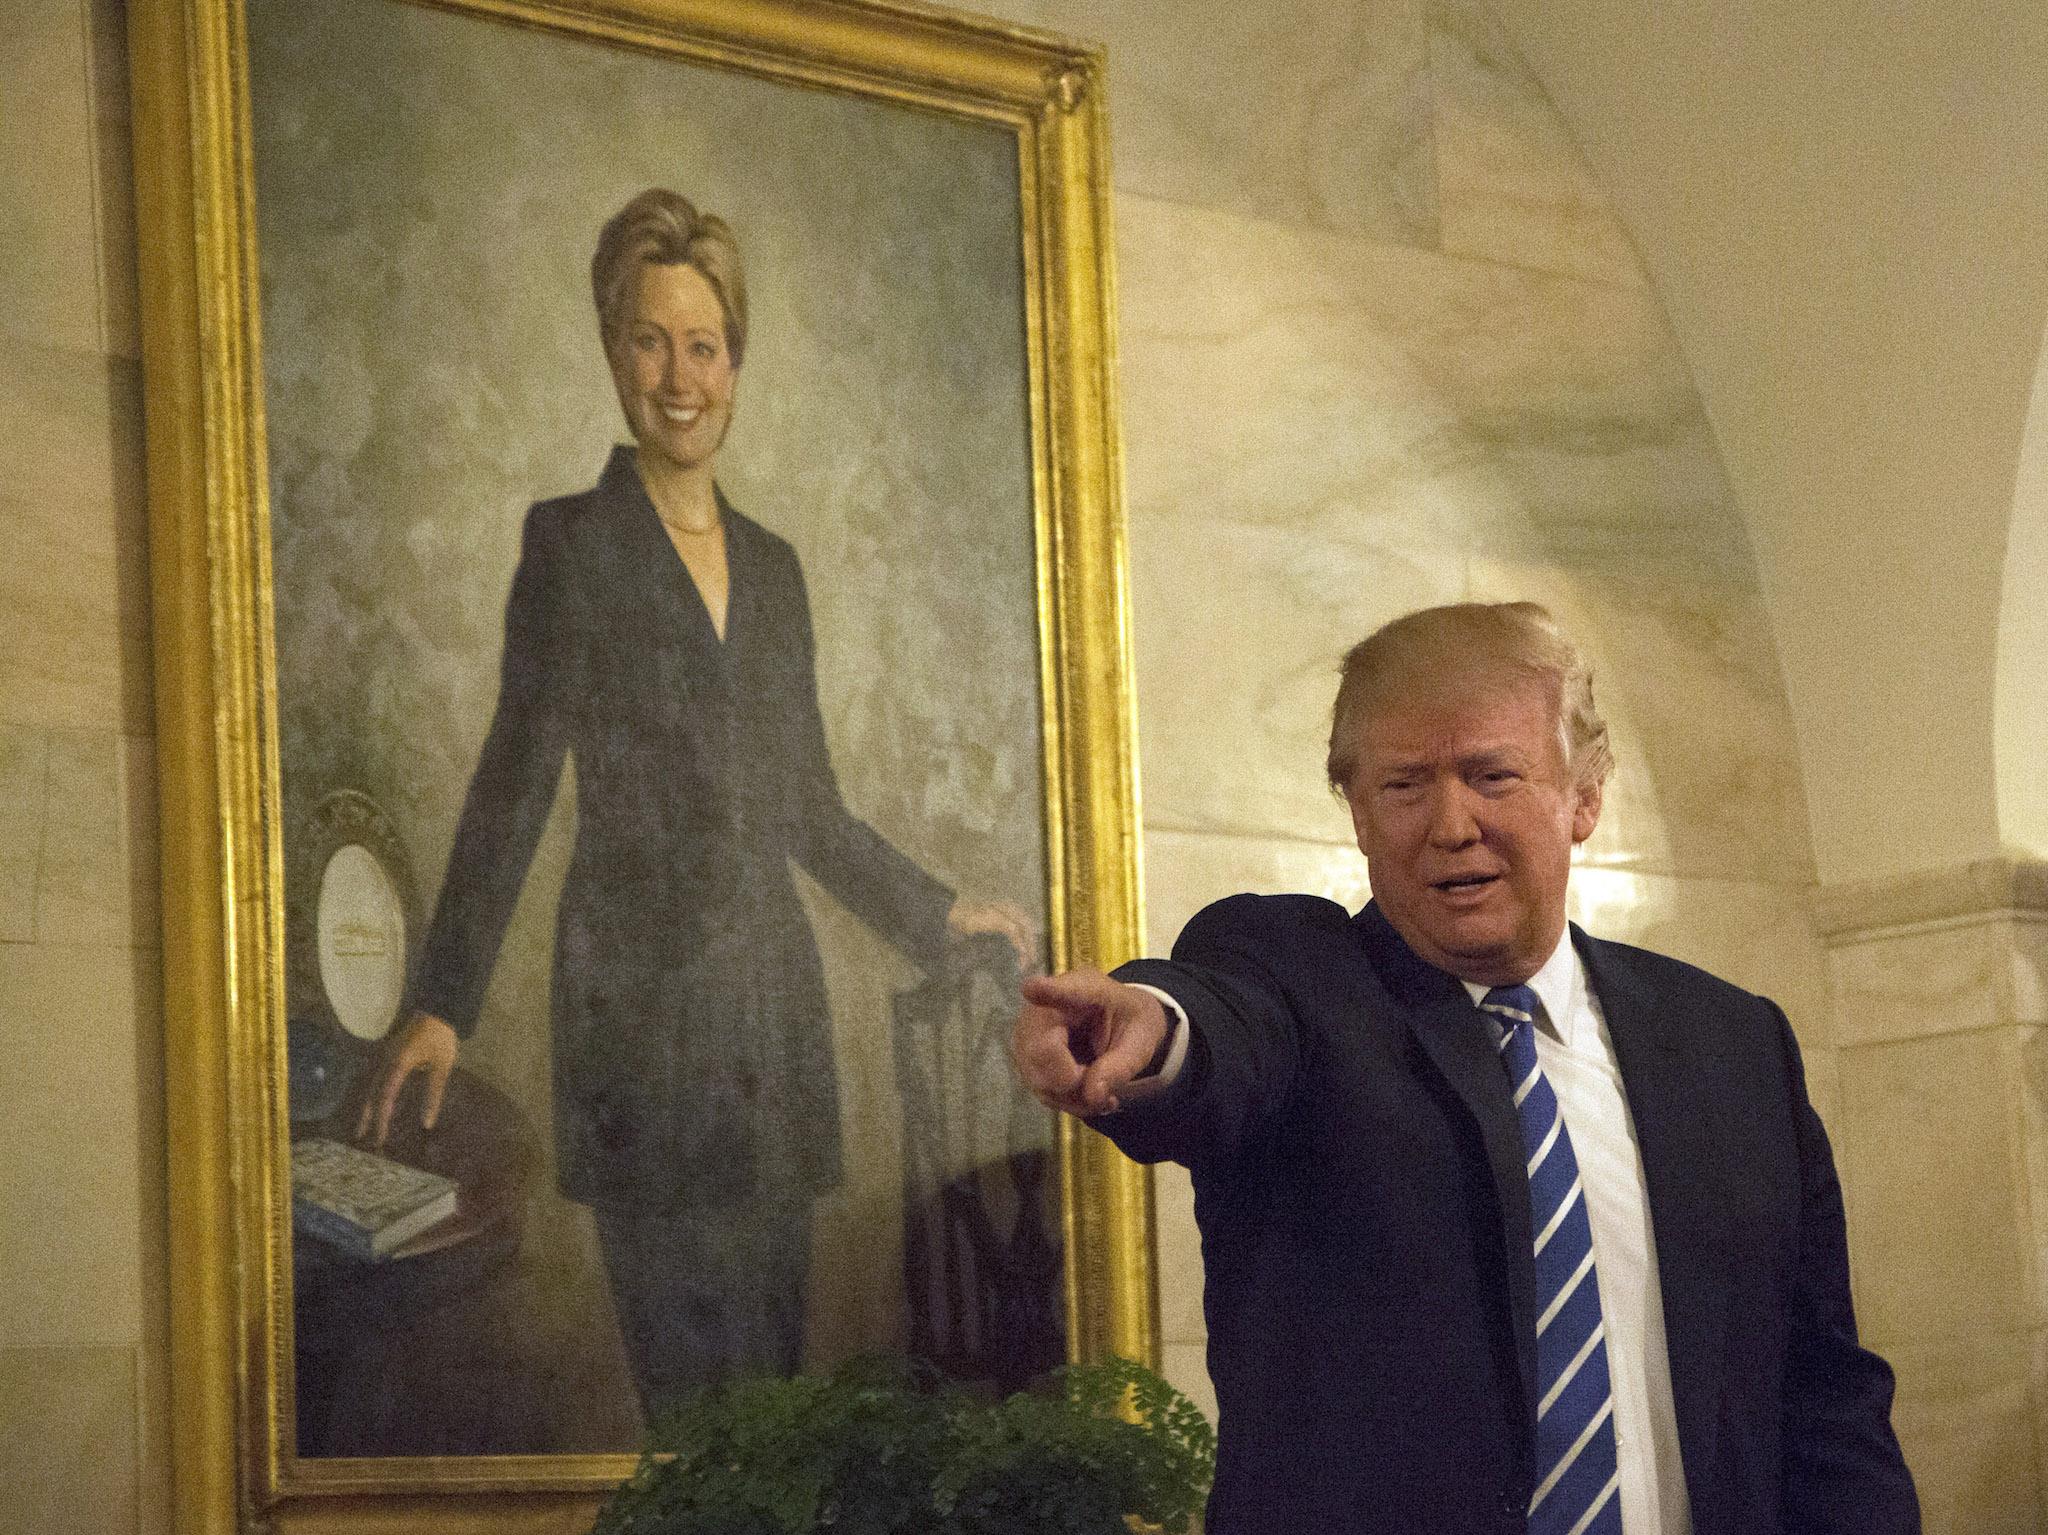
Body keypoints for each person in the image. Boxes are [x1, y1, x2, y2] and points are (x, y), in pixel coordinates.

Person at [1012, 602, 1917, 1535]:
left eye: (1492, 775)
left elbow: (1824, 1395)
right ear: (1358, 813)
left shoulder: (1732, 1044)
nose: (1452, 824)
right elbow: (1223, 1029)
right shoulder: (1297, 976)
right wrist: (1156, 1033)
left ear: (1585, 796)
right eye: (1405, 785)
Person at [358, 188, 1032, 1414]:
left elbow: (808, 808)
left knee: (772, 1408)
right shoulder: (568, 543)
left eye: (704, 345)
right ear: (615, 352)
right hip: (633, 1031)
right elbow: (515, 774)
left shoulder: (774, 570)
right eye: (651, 341)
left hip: (769, 1027)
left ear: (736, 363)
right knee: (693, 1426)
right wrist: (443, 1000)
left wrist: (937, 913)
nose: (679, 376)